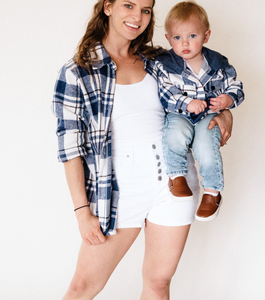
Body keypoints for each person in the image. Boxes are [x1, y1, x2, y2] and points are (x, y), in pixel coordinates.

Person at [52, 0, 233, 299]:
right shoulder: (78, 71)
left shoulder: (163, 60)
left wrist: (226, 115)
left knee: (158, 283)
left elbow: (208, 92)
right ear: (108, 7)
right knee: (82, 287)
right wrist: (83, 212)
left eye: (146, 9)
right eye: (129, 5)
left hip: (175, 185)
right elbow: (70, 147)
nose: (138, 16)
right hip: (119, 192)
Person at [155, 1, 244, 221]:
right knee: (174, 134)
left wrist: (228, 100)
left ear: (206, 36)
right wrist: (186, 103)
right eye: (177, 38)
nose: (184, 43)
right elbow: (165, 93)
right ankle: (177, 177)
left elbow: (236, 86)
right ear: (168, 39)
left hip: (208, 117)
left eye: (192, 36)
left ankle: (212, 192)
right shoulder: (165, 64)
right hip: (179, 114)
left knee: (207, 145)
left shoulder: (218, 63)